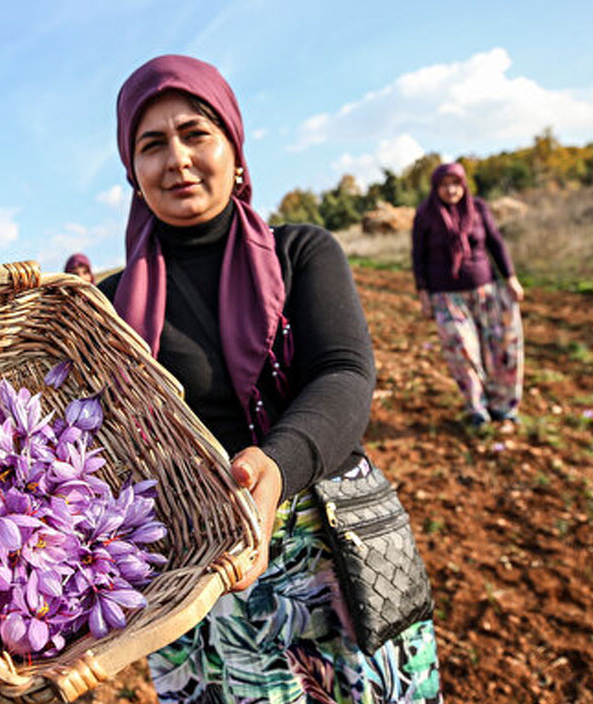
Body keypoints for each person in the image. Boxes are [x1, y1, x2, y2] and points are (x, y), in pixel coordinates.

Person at [97, 54, 441, 704]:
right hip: (196, 580)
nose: (177, 159)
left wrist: (276, 468)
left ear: (234, 144)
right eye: (152, 144)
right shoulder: (107, 306)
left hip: (326, 547)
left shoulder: (300, 252)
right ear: (132, 170)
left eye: (196, 133)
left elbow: (344, 374)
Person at [411, 162, 525, 428]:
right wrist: (423, 294)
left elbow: (496, 243)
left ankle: (503, 406)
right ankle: (477, 408)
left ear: (463, 185)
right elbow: (419, 258)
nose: (450, 190)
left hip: (487, 291)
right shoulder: (425, 215)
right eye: (444, 185)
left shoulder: (479, 208)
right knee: (461, 351)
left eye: (455, 183)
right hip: (447, 297)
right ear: (435, 188)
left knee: (501, 348)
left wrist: (511, 278)